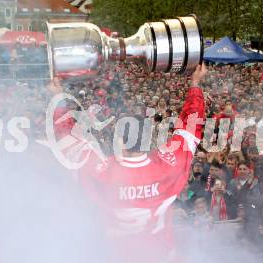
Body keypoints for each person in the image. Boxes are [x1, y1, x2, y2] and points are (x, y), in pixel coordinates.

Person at [53, 65, 208, 262]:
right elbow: (191, 125)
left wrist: (58, 98)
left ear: (119, 142)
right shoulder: (168, 164)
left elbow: (69, 140)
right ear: (148, 140)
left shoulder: (102, 172)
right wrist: (195, 84)